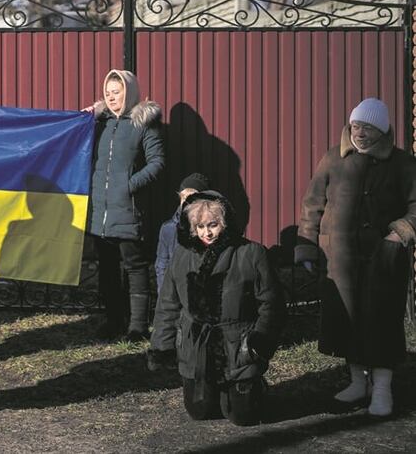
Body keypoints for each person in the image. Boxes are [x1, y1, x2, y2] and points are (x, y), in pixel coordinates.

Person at [297, 98, 416, 417]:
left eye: (368, 128)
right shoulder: (333, 159)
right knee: (347, 319)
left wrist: (399, 232)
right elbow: (312, 204)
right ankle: (356, 382)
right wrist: (307, 246)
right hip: (340, 256)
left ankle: (382, 389)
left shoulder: (403, 163)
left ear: (383, 131)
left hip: (384, 258)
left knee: (381, 321)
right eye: (356, 126)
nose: (360, 133)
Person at [148, 191, 284, 426]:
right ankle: (215, 390)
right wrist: (163, 345)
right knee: (199, 412)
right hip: (196, 346)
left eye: (213, 225)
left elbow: (272, 303)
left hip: (238, 345)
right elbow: (168, 304)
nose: (206, 233)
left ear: (225, 222)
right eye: (200, 226)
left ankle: (252, 387)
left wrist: (259, 341)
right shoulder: (182, 255)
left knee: (244, 417)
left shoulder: (251, 253)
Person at [87, 69, 165, 341]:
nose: (111, 98)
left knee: (134, 267)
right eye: (107, 93)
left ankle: (137, 327)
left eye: (116, 92)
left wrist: (128, 186)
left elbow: (157, 162)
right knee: (107, 270)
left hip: (127, 209)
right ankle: (113, 322)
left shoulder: (143, 123)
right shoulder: (100, 123)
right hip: (99, 212)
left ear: (129, 92)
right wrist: (86, 117)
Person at [155, 173, 209, 294]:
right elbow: (162, 265)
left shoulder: (210, 229)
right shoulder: (169, 228)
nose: (187, 202)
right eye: (184, 197)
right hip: (175, 290)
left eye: (193, 197)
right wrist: (164, 294)